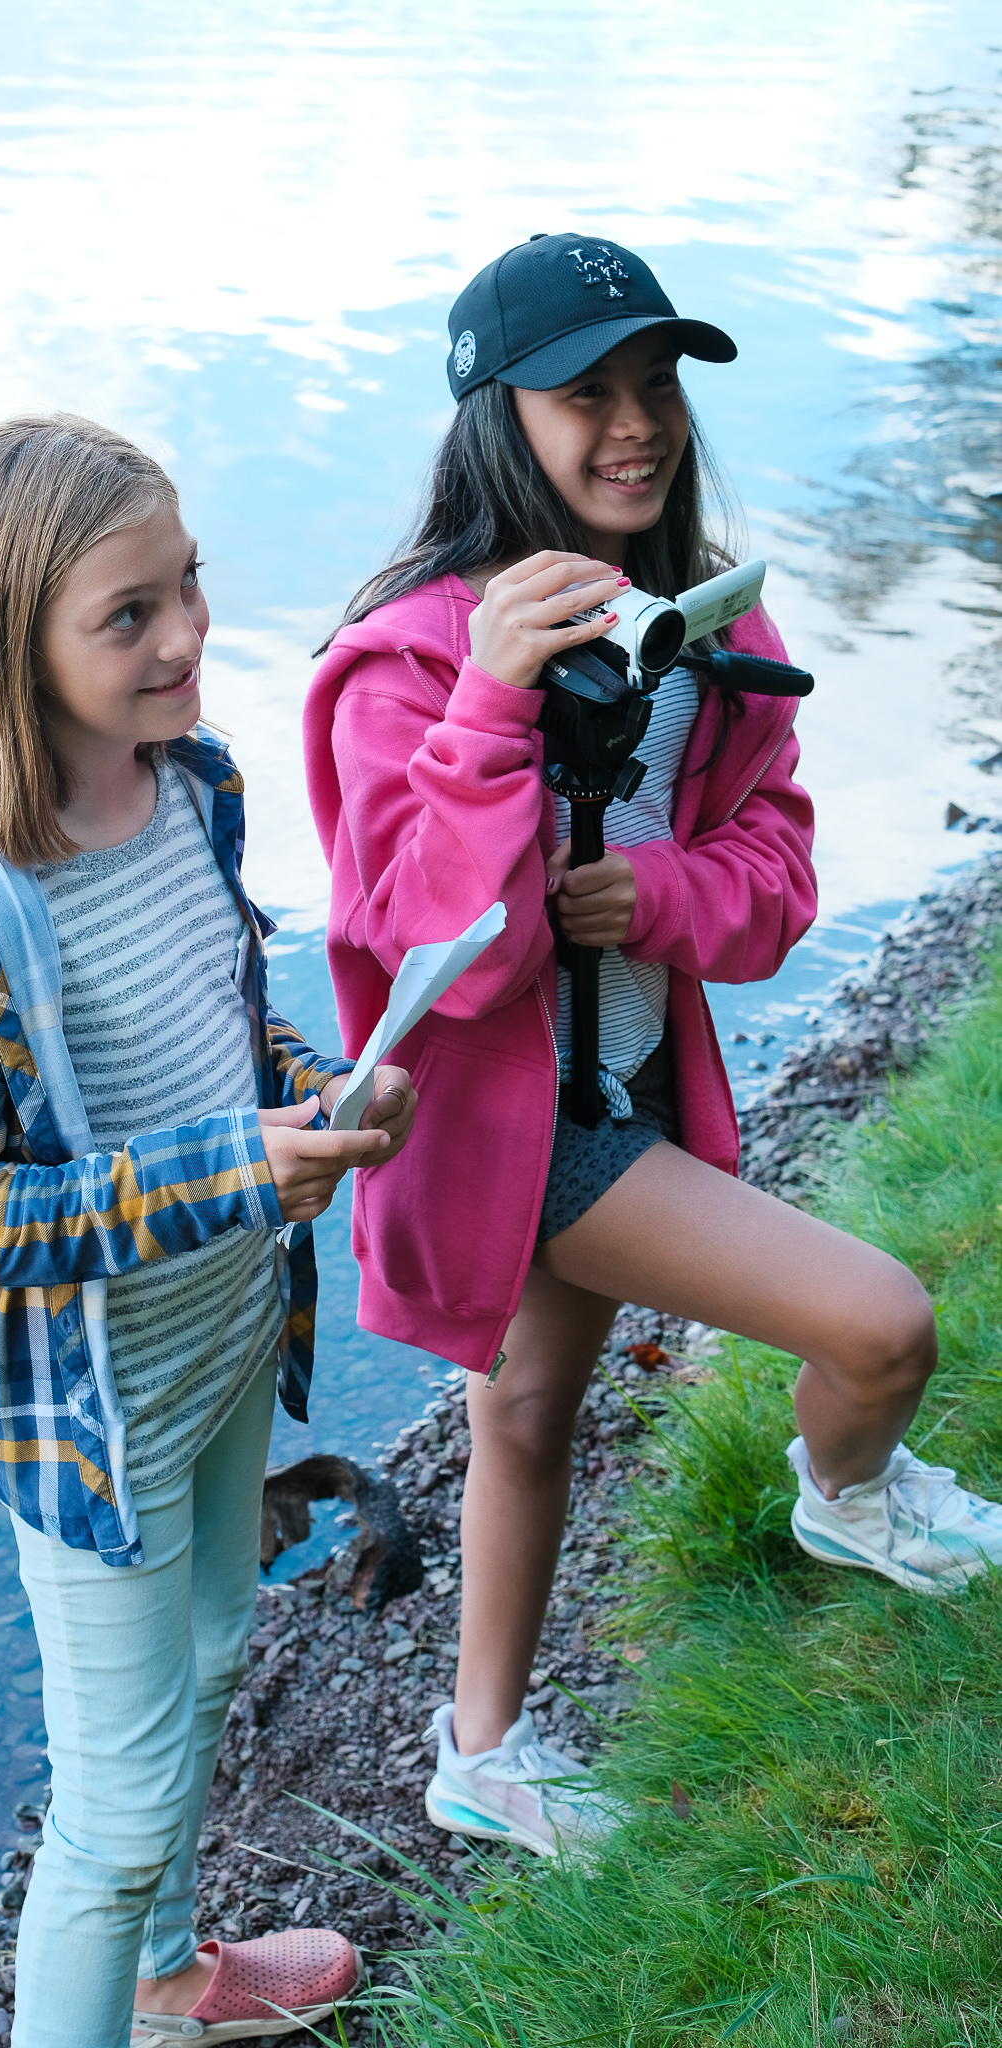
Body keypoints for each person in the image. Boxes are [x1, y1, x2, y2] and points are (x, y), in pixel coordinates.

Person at [302, 233, 1002, 1860]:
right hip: (511, 1140)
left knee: (527, 1417)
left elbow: (775, 891)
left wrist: (659, 892)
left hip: (627, 1095)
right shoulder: (404, 664)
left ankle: (476, 1756)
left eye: (656, 387)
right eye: (584, 396)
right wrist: (490, 709)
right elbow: (425, 948)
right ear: (494, 419)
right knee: (881, 1326)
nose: (636, 425)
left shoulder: (701, 634)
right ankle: (846, 1501)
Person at [0, 414, 417, 2048]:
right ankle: (120, 1963)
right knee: (107, 1815)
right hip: (86, 1413)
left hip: (230, 1330)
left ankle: (174, 1982)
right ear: (5, 644)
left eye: (187, 587)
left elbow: (223, 1024)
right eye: (126, 616)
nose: (183, 636)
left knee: (219, 1645)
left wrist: (321, 1093)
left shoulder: (198, 786)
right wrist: (229, 1169)